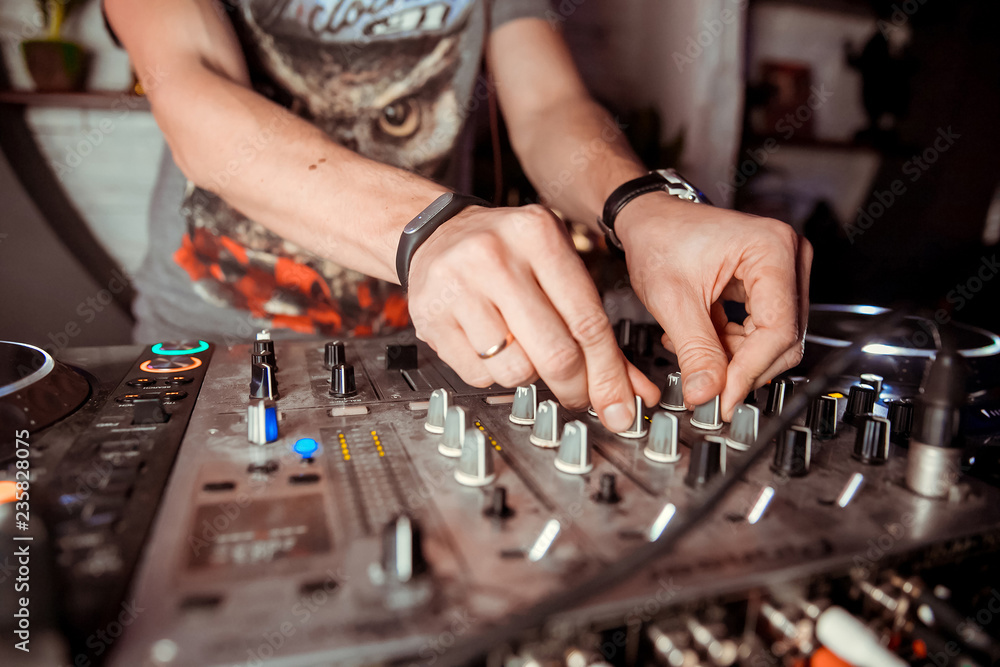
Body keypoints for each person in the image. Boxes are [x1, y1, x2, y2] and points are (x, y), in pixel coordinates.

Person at [103, 0, 812, 434]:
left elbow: (546, 107)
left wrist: (643, 206)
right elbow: (192, 85)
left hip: (425, 348)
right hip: (217, 340)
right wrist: (427, 228)